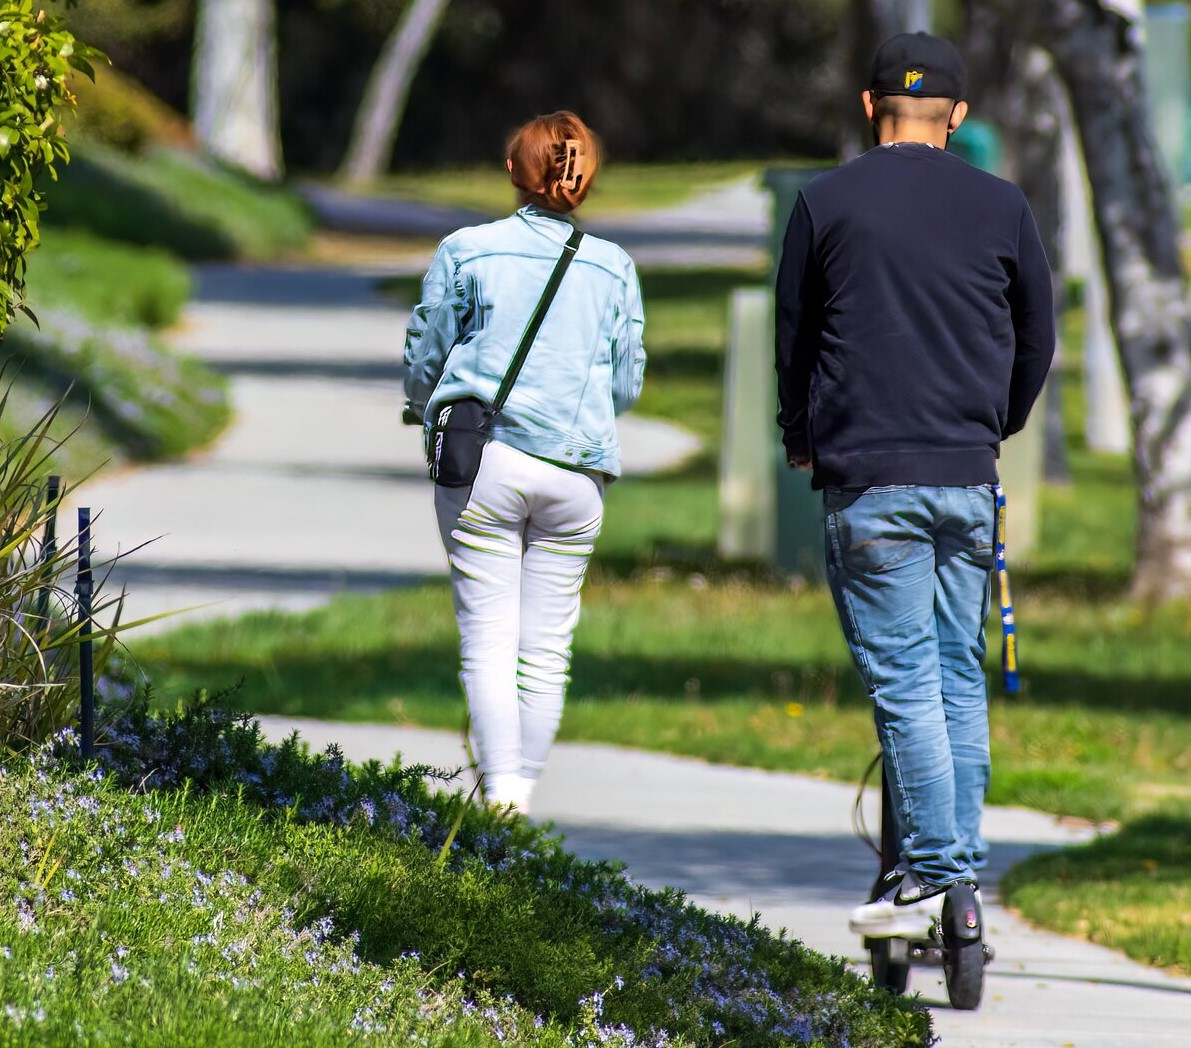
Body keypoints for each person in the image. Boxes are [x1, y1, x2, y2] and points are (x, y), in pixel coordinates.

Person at [774, 32, 1055, 937]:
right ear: (958, 117)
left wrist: (800, 437)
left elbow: (795, 338)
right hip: (964, 476)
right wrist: (992, 426)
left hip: (869, 479)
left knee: (903, 683)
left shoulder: (825, 202)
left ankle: (937, 881)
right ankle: (953, 876)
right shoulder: (1004, 206)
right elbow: (1036, 337)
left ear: (867, 107)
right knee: (952, 679)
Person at [403, 111, 646, 815]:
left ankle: (500, 800)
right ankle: (522, 793)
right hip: (578, 476)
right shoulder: (613, 267)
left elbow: (426, 354)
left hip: (487, 463)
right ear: (586, 179)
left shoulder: (468, 251)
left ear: (513, 170)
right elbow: (624, 383)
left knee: (487, 639)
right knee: (545, 647)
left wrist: (422, 402)